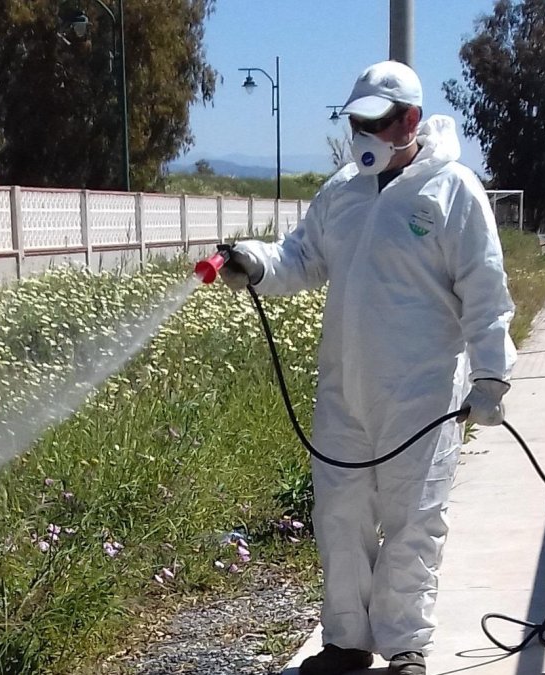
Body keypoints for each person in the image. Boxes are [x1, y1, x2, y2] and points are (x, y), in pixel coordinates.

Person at [219, 60, 516, 675]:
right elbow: (302, 257)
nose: (363, 134)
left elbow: (485, 289)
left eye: (376, 122)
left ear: (409, 119)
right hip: (345, 391)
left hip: (423, 392)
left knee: (414, 518)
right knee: (340, 513)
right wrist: (257, 262)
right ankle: (348, 643)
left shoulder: (454, 191)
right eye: (356, 121)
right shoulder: (342, 191)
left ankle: (406, 644)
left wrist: (491, 374)